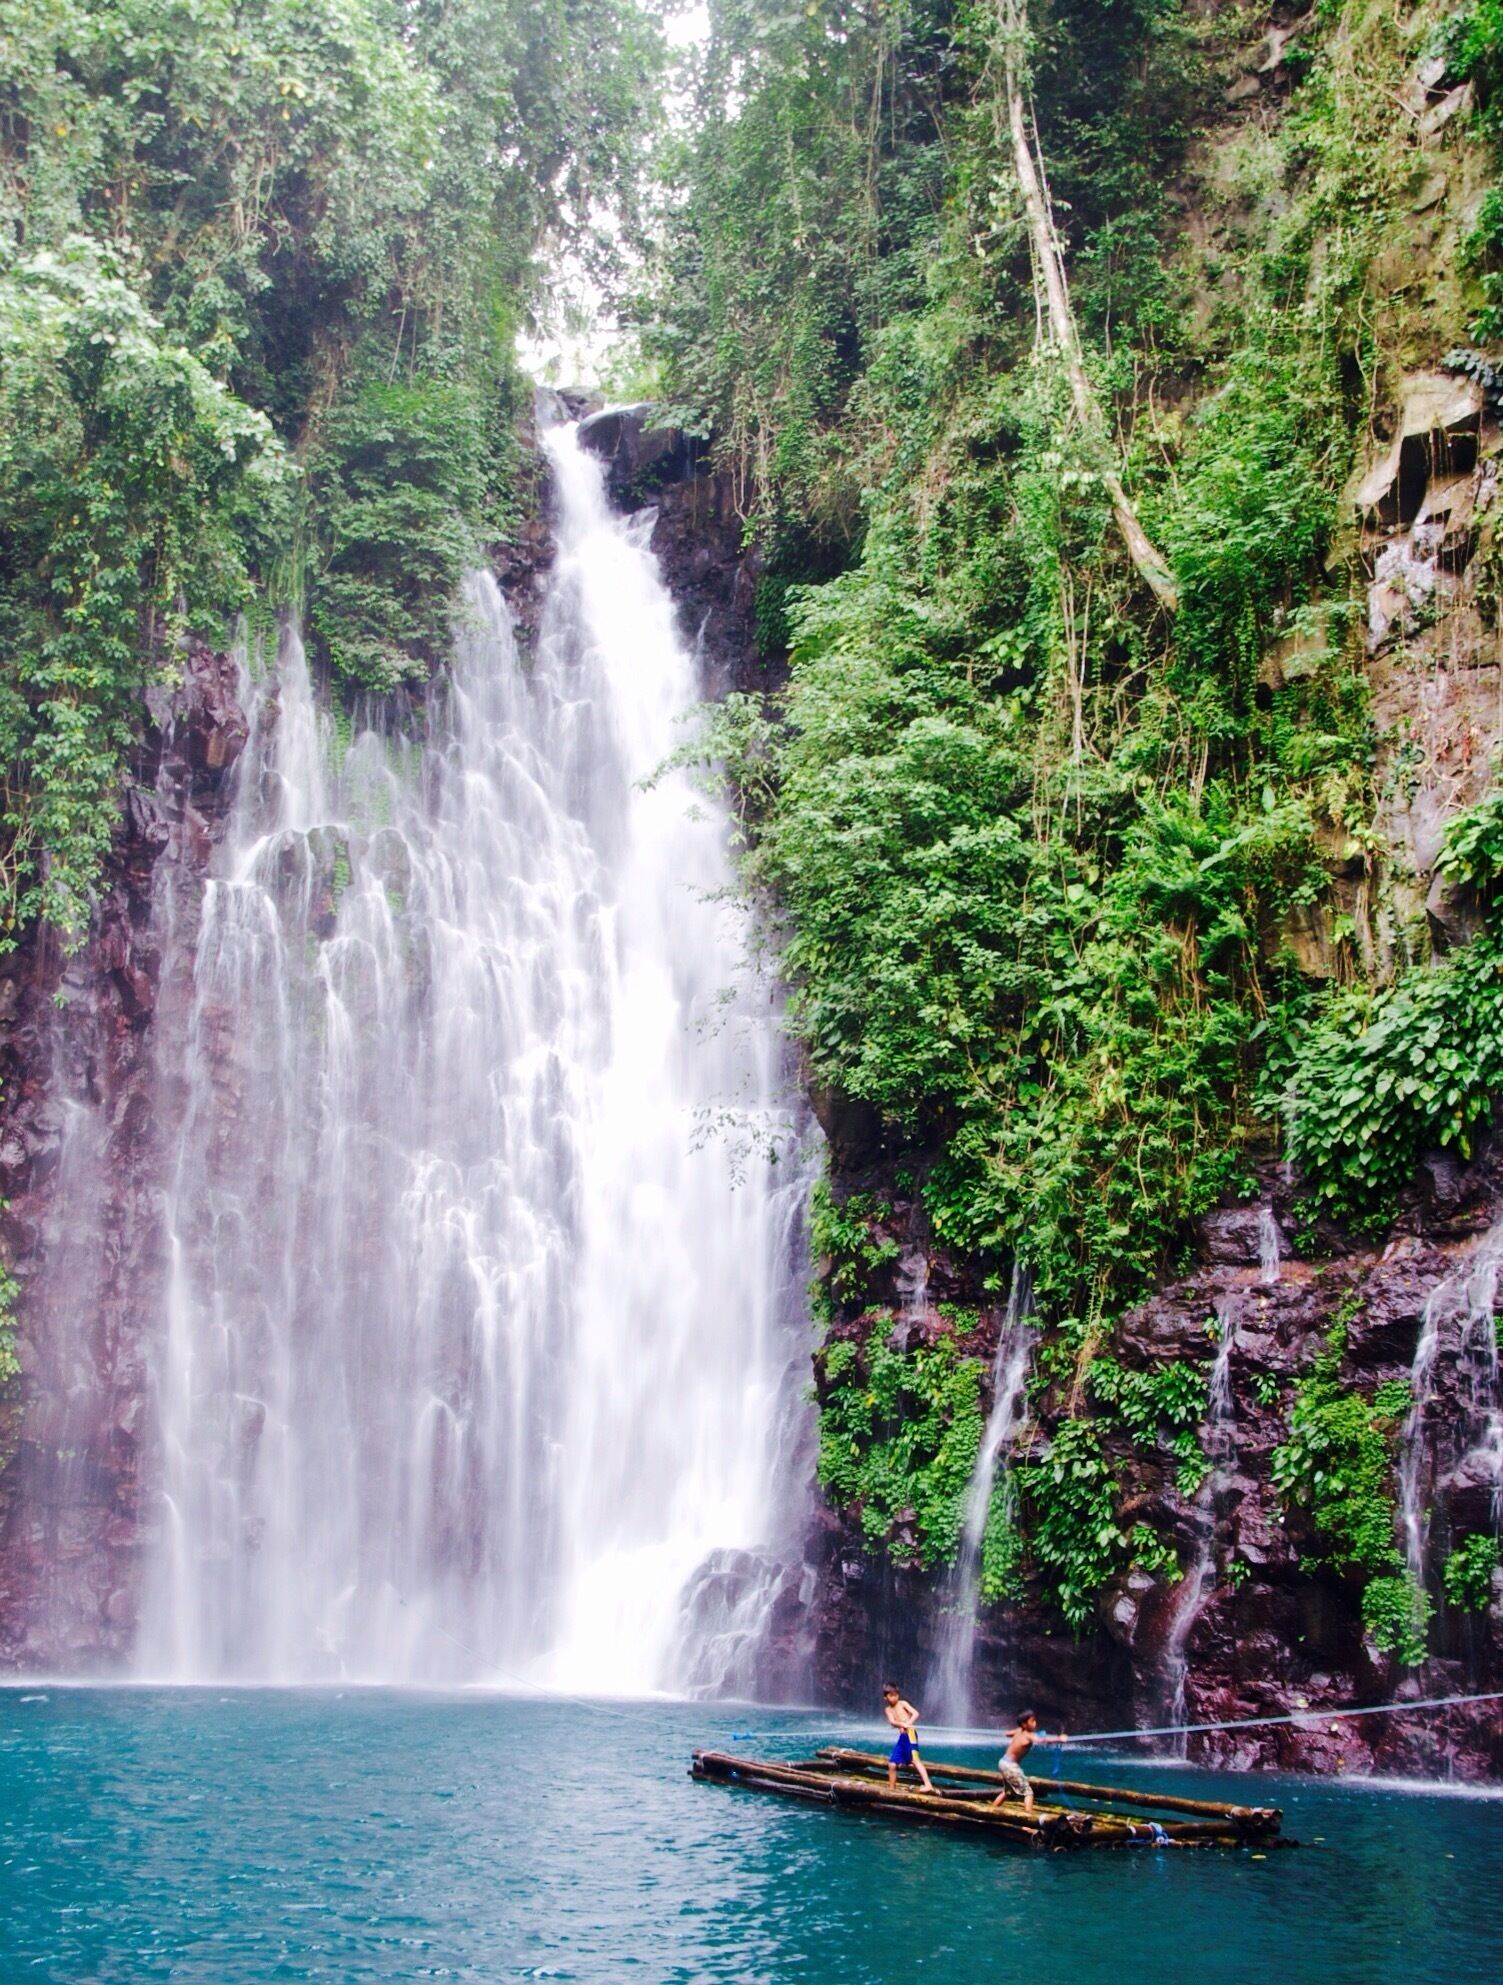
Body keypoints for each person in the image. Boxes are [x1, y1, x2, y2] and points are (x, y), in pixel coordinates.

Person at [991, 1711, 1069, 1815]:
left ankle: (989, 1811)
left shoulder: (1019, 1731)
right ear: (1024, 1724)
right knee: (1028, 1793)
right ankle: (1028, 1821)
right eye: (1032, 1721)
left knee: (1008, 1792)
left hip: (1003, 1762)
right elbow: (1042, 1740)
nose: (1035, 1723)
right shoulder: (1029, 1735)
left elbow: (1007, 1733)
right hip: (1010, 1766)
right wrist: (1059, 1739)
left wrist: (1015, 1733)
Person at [881, 1683, 936, 1793]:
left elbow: (915, 1713)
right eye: (891, 1695)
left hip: (910, 1734)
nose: (894, 1697)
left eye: (896, 1695)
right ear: (885, 1697)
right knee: (891, 1764)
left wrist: (908, 1723)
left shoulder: (903, 1704)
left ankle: (928, 1784)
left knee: (915, 1760)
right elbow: (892, 1722)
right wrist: (901, 1725)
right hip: (902, 1737)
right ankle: (892, 1789)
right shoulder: (888, 1710)